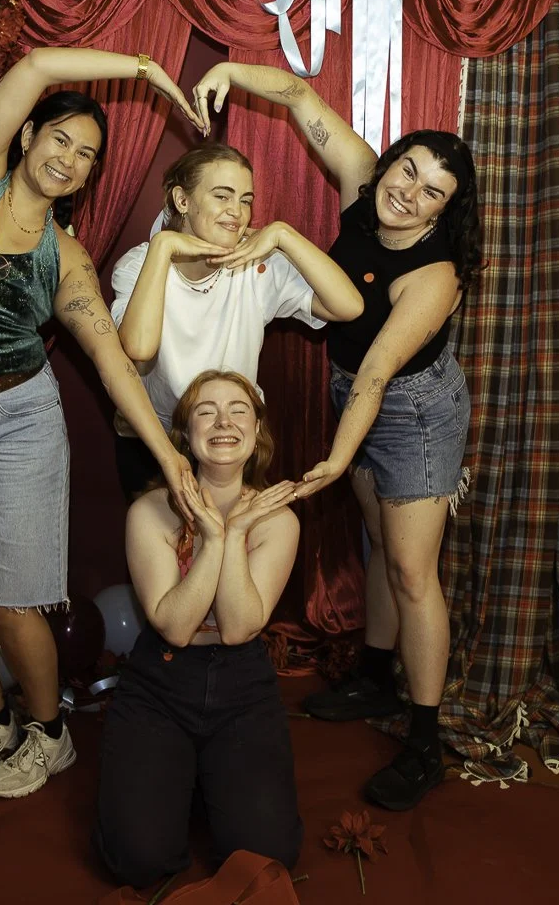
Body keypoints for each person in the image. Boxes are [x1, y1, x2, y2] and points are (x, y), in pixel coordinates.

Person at [0, 47, 205, 798]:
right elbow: (37, 66)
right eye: (61, 138)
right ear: (26, 138)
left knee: (10, 599)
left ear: (90, 177)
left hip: (13, 421)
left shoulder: (67, 260)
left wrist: (171, 457)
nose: (70, 157)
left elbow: (116, 364)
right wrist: (149, 72)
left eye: (87, 155)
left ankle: (47, 731)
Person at [192, 63, 483, 811]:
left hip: (412, 408)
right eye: (406, 170)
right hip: (355, 391)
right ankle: (376, 676)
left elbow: (385, 368)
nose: (407, 192)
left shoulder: (436, 274)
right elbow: (296, 96)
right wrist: (228, 68)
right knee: (379, 547)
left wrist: (336, 459)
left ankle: (425, 739)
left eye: (430, 192)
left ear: (445, 212)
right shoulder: (365, 189)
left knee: (415, 573)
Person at [95, 370, 303, 887]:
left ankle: (200, 783)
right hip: (159, 685)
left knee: (266, 855)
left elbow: (237, 629)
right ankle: (179, 781)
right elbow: (175, 626)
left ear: (257, 431)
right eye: (205, 411)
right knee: (138, 860)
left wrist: (232, 535)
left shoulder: (278, 520)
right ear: (185, 434)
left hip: (242, 685)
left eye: (239, 409)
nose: (223, 420)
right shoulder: (149, 511)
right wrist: (212, 538)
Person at [109, 143, 363, 498]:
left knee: (232, 548)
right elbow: (138, 348)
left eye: (245, 199)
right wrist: (164, 247)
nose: (237, 212)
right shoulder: (140, 264)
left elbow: (349, 306)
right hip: (156, 442)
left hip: (230, 442)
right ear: (182, 201)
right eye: (222, 196)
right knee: (164, 550)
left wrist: (283, 235)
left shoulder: (256, 265)